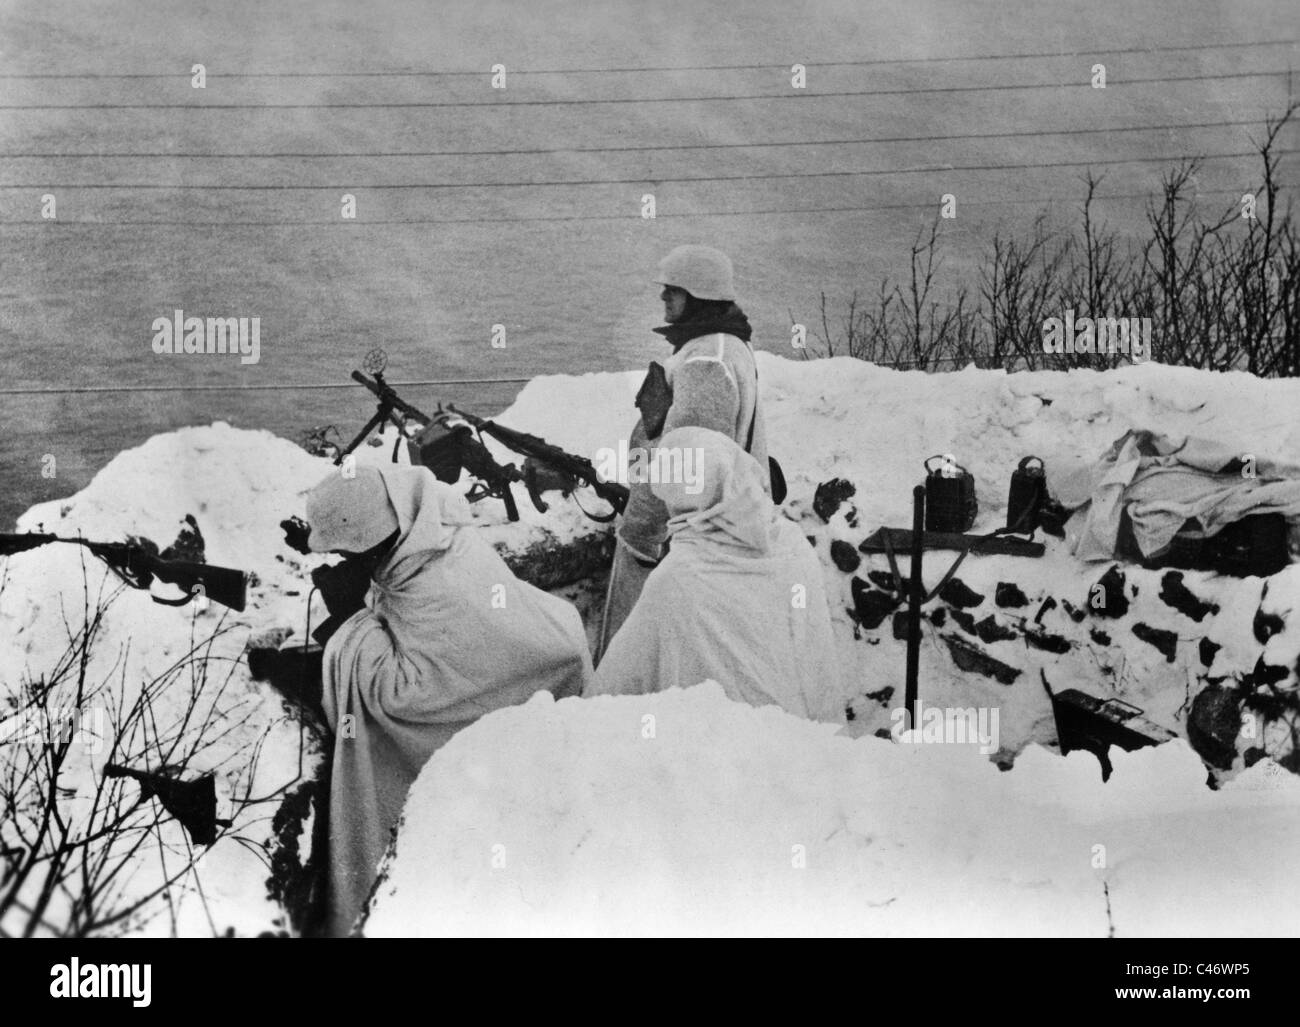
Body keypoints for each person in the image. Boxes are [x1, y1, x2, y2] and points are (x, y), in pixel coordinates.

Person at [303, 463, 592, 935]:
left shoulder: (437, 575)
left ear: (382, 533)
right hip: (530, 655)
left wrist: (351, 619)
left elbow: (405, 697)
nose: (348, 560)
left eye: (352, 550)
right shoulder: (426, 537)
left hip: (523, 681)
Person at [586, 427, 842, 724]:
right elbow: (818, 665)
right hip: (801, 739)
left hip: (721, 751)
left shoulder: (678, 576)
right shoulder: (792, 546)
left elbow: (614, 687)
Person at [595, 244, 771, 662]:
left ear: (700, 295)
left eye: (673, 290)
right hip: (694, 538)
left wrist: (641, 537)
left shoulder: (707, 359)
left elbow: (688, 467)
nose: (663, 298)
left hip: (675, 543)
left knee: (637, 659)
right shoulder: (717, 346)